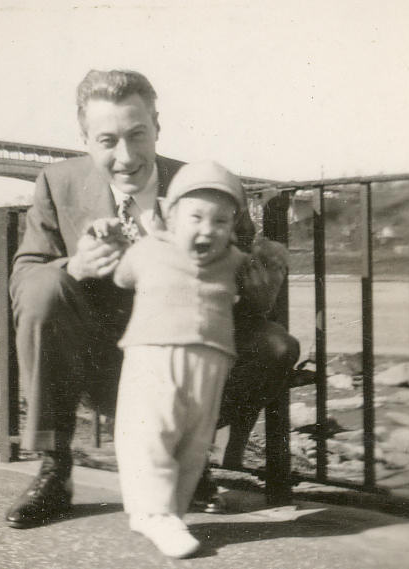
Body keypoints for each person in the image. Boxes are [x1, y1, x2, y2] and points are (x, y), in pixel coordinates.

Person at [5, 69, 299, 529]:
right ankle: (54, 468)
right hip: (100, 361)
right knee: (45, 286)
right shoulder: (56, 183)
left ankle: (190, 458)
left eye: (137, 135)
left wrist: (260, 299)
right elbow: (24, 278)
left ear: (157, 126)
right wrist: (74, 268)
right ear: (85, 139)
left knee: (276, 346)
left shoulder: (205, 184)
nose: (126, 157)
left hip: (183, 358)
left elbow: (235, 294)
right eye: (107, 140)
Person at [112, 160, 267, 558]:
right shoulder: (149, 249)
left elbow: (256, 296)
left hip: (211, 360)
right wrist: (113, 240)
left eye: (221, 221)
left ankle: (170, 512)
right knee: (152, 432)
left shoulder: (234, 261)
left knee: (196, 441)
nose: (207, 229)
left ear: (232, 227)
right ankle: (152, 511)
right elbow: (122, 277)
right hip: (153, 352)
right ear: (169, 215)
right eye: (196, 217)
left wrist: (269, 268)